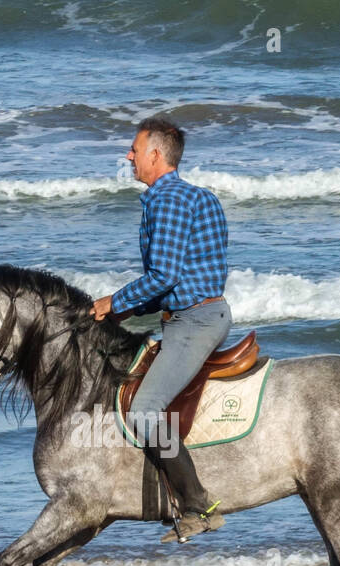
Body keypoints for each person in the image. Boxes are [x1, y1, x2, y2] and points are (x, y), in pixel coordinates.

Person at [92, 116, 231, 543]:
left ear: (155, 154)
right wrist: (127, 314)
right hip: (194, 313)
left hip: (195, 322)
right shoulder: (194, 196)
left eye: (134, 150)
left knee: (146, 409)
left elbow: (165, 274)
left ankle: (199, 506)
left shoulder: (168, 199)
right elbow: (182, 279)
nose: (128, 156)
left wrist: (113, 301)